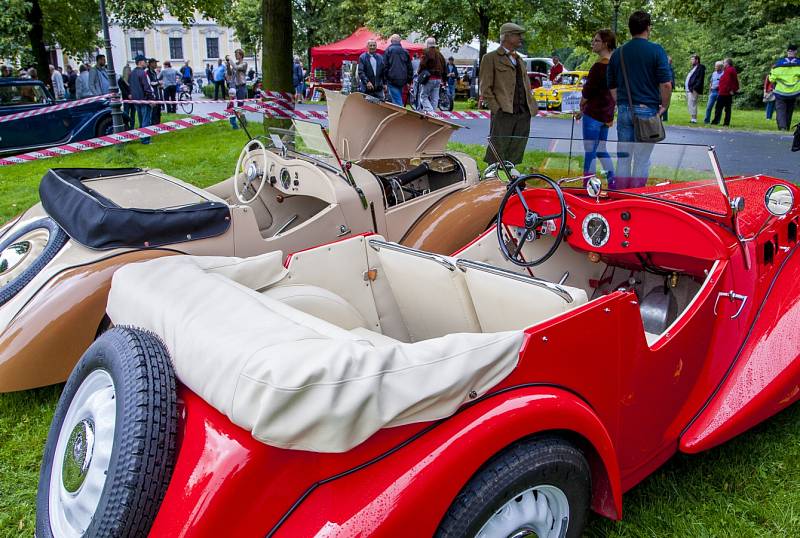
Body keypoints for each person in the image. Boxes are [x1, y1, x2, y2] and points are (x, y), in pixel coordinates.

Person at [606, 10, 672, 188]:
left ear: (630, 29)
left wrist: (621, 103)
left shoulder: (618, 54)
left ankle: (622, 197)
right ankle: (637, 198)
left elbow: (611, 85)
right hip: (647, 111)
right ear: (648, 28)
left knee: (624, 158)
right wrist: (664, 106)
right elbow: (666, 84)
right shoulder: (656, 51)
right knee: (642, 160)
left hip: (625, 110)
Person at [479, 22, 536, 164]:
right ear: (507, 36)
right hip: (504, 112)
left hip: (523, 113)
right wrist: (496, 109)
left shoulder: (519, 60)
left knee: (517, 150)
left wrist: (530, 107)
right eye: (517, 35)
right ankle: (493, 179)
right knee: (497, 150)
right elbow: (485, 87)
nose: (521, 38)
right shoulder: (490, 58)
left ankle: (512, 178)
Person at [575, 29, 616, 188]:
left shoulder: (599, 67)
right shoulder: (615, 65)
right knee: (601, 149)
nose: (593, 43)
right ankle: (612, 181)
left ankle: (588, 186)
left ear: (605, 43)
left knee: (590, 152)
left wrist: (581, 105)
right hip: (607, 114)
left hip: (593, 114)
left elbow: (588, 91)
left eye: (596, 40)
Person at [769, 44, 800, 131]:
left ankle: (783, 127)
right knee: (789, 110)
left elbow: (771, 79)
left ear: (787, 52)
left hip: (780, 92)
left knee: (780, 110)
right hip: (794, 92)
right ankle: (787, 127)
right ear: (795, 52)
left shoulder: (779, 63)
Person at [130, 55, 154, 144]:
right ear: (140, 62)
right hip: (144, 99)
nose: (146, 63)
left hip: (136, 100)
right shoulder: (143, 73)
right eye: (145, 61)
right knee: (146, 121)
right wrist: (151, 99)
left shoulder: (132, 73)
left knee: (141, 120)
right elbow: (146, 87)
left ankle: (142, 138)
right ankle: (145, 140)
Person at [418, 37, 446, 112]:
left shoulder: (426, 52)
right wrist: (444, 80)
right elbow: (444, 66)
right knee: (435, 98)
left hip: (429, 78)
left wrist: (418, 72)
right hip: (438, 79)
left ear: (427, 44)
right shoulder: (440, 54)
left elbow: (422, 64)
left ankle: (431, 113)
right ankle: (433, 115)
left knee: (423, 96)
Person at [384, 34, 413, 106]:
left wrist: (384, 80)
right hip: (403, 79)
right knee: (398, 98)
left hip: (392, 79)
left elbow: (385, 66)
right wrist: (409, 81)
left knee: (397, 100)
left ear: (391, 41)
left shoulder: (388, 51)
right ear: (400, 41)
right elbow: (410, 67)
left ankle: (400, 115)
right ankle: (399, 114)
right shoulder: (405, 52)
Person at [711, 58, 738, 127]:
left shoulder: (730, 70)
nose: (723, 64)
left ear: (727, 63)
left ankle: (719, 121)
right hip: (724, 91)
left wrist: (730, 90)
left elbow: (729, 81)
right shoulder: (729, 70)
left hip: (725, 92)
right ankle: (723, 122)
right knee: (724, 108)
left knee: (721, 108)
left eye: (724, 62)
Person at [685, 54, 706, 123]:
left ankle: (694, 119)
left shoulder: (700, 68)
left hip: (693, 89)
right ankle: (692, 118)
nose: (691, 61)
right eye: (691, 59)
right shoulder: (693, 68)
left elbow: (700, 79)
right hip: (689, 89)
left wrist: (694, 88)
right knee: (690, 103)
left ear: (697, 60)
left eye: (693, 59)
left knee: (693, 103)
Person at [118, 65, 135, 129]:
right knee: (126, 113)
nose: (130, 72)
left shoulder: (132, 79)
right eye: (129, 70)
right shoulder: (121, 80)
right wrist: (128, 95)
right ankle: (126, 126)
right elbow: (123, 90)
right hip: (126, 99)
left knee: (133, 113)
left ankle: (132, 127)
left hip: (133, 99)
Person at [146, 58, 162, 125]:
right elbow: (150, 83)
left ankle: (158, 123)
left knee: (158, 110)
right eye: (155, 63)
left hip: (157, 92)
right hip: (153, 94)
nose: (156, 64)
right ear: (150, 64)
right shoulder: (148, 72)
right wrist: (158, 82)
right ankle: (153, 124)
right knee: (154, 111)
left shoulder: (154, 72)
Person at [662, 56, 675, 122]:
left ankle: (664, 117)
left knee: (665, 101)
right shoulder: (669, 68)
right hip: (669, 86)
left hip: (667, 86)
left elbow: (670, 78)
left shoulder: (668, 68)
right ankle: (664, 117)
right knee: (665, 101)